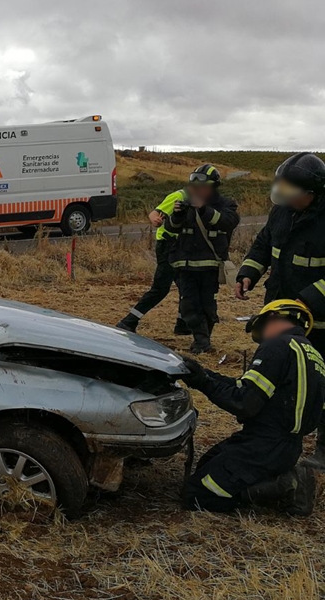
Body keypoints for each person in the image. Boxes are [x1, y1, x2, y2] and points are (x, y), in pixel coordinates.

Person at [180, 300, 323, 515]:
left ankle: (286, 485)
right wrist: (204, 374)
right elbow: (245, 387)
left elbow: (245, 403)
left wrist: (202, 382)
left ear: (273, 318)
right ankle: (275, 479)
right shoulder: (313, 354)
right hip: (286, 446)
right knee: (207, 464)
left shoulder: (277, 346)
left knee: (197, 495)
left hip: (263, 446)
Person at [233, 152, 325, 469]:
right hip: (278, 315)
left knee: (318, 383)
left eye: (291, 192)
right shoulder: (281, 212)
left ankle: (323, 450)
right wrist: (248, 272)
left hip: (319, 322)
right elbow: (263, 245)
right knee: (273, 378)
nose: (283, 196)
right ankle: (269, 440)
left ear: (312, 193)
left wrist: (307, 301)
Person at [163, 165, 240, 353]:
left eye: (203, 186)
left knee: (207, 305)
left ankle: (203, 341)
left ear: (214, 187)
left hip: (210, 266)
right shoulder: (187, 204)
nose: (198, 190)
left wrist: (204, 210)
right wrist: (178, 215)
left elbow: (229, 222)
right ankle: (201, 341)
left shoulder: (226, 205)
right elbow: (171, 229)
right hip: (185, 265)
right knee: (188, 305)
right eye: (195, 187)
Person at [116, 190, 188, 334]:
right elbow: (154, 213)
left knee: (186, 287)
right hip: (168, 245)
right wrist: (156, 220)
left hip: (182, 247)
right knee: (161, 288)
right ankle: (128, 321)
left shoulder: (204, 199)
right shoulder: (179, 196)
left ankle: (183, 325)